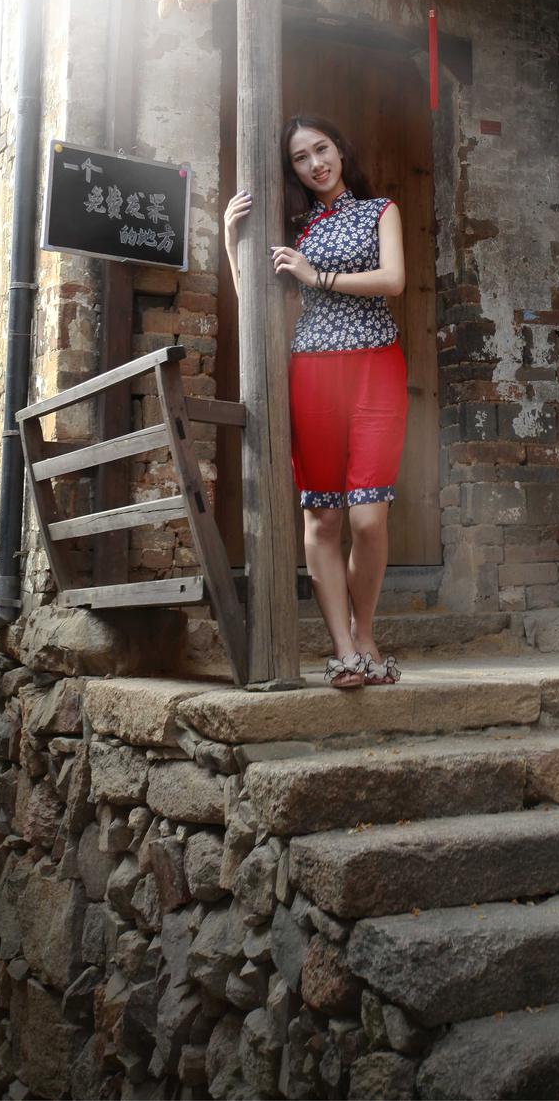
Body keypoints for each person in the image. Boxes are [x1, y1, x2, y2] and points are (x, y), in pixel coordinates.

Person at [223, 115, 408, 689]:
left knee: (369, 517)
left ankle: (366, 631)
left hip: (377, 366)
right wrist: (231, 242)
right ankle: (346, 651)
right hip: (312, 373)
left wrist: (316, 276)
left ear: (340, 150)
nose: (315, 164)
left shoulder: (380, 211)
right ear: (293, 171)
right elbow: (256, 305)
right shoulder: (293, 229)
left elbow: (394, 280)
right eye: (300, 158)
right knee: (323, 515)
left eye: (321, 149)